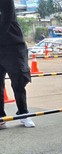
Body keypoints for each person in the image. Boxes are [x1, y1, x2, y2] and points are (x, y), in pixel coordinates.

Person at [0, 0, 35, 129]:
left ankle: (23, 113)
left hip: (13, 46)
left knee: (19, 81)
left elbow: (6, 19)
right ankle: (0, 118)